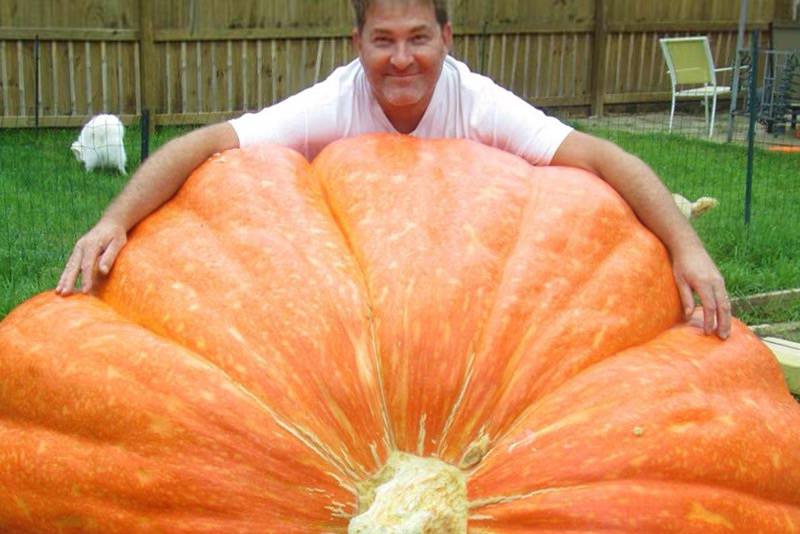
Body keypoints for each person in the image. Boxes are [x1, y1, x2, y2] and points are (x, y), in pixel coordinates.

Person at [57, 0, 731, 339]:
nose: (401, 58)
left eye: (418, 38)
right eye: (382, 40)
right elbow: (208, 143)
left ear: (447, 38)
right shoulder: (333, 103)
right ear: (357, 43)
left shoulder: (478, 104)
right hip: (354, 316)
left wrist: (687, 247)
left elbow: (604, 157)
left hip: (463, 306)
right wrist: (114, 221)